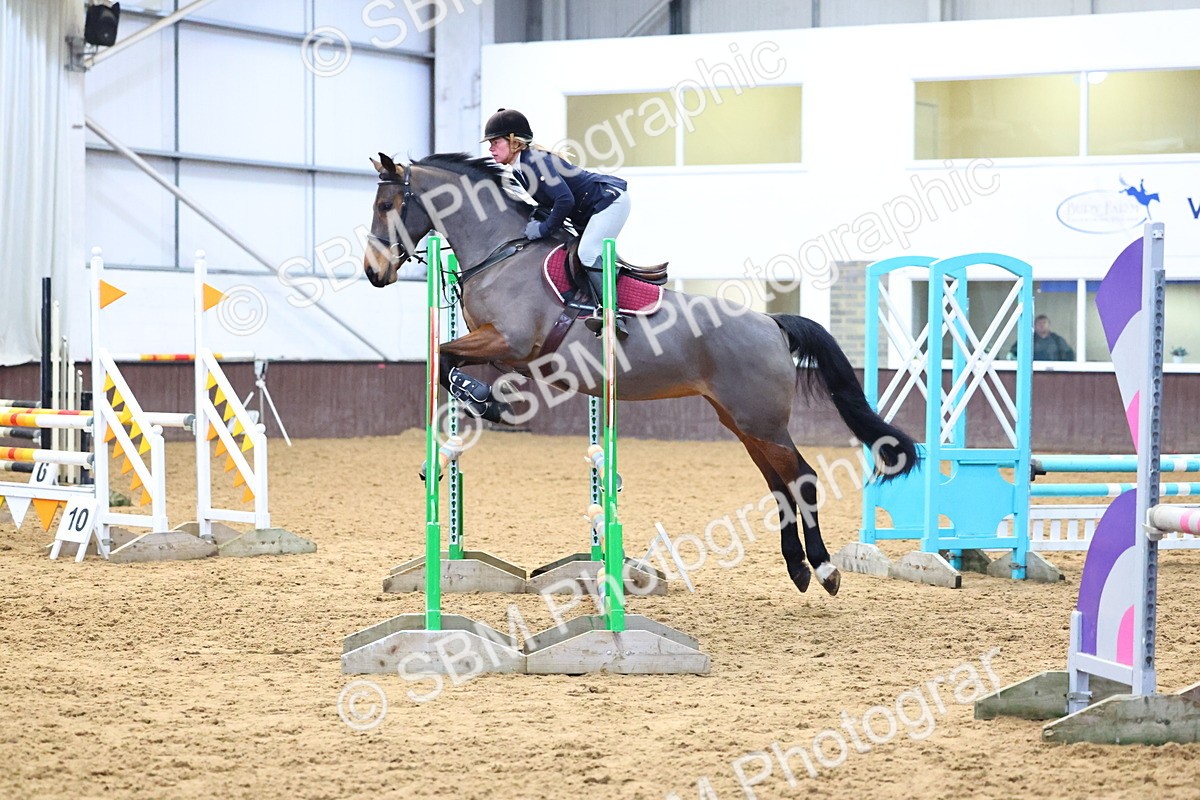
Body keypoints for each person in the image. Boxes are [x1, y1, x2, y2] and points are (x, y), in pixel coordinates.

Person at [482, 108, 631, 338]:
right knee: (581, 254)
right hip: (591, 211)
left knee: (589, 253)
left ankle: (613, 316)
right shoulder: (521, 169)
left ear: (514, 142)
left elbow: (564, 199)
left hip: (609, 201)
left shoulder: (535, 162)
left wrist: (543, 228)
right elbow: (550, 203)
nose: (490, 148)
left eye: (495, 141)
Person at [1009, 314, 1075, 361]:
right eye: (1039, 323)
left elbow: (1069, 354)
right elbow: (1012, 354)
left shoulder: (1057, 340)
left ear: (1049, 324)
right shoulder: (1027, 340)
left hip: (1054, 373)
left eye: (1044, 323)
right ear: (1034, 326)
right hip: (1032, 372)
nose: (1042, 325)